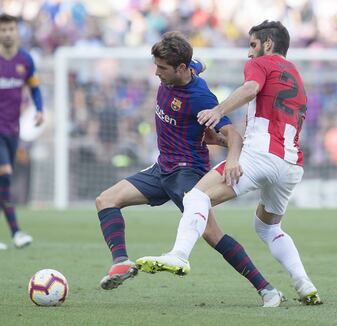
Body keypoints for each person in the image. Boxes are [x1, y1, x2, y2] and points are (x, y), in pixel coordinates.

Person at [136, 21, 322, 306]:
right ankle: (304, 284)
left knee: (197, 196)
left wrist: (219, 109)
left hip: (260, 156)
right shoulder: (295, 74)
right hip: (291, 163)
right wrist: (222, 142)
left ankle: (179, 255)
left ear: (267, 44)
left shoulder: (262, 64)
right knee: (268, 227)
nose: (249, 53)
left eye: (252, 45)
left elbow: (250, 88)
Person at [96, 31, 284, 307]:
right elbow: (199, 64)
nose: (156, 73)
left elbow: (233, 134)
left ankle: (267, 289)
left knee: (212, 234)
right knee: (106, 200)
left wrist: (232, 160)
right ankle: (122, 262)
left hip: (187, 174)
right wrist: (198, 63)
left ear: (180, 68)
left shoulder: (201, 98)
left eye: (162, 68)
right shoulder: (188, 68)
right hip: (162, 169)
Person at [0, 14, 44, 250]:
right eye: (3, 29)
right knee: (5, 174)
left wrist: (39, 109)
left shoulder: (25, 60)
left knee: (3, 181)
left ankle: (15, 233)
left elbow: (34, 88)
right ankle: (16, 232)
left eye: (10, 29)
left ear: (17, 32)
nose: (7, 33)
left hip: (12, 129)